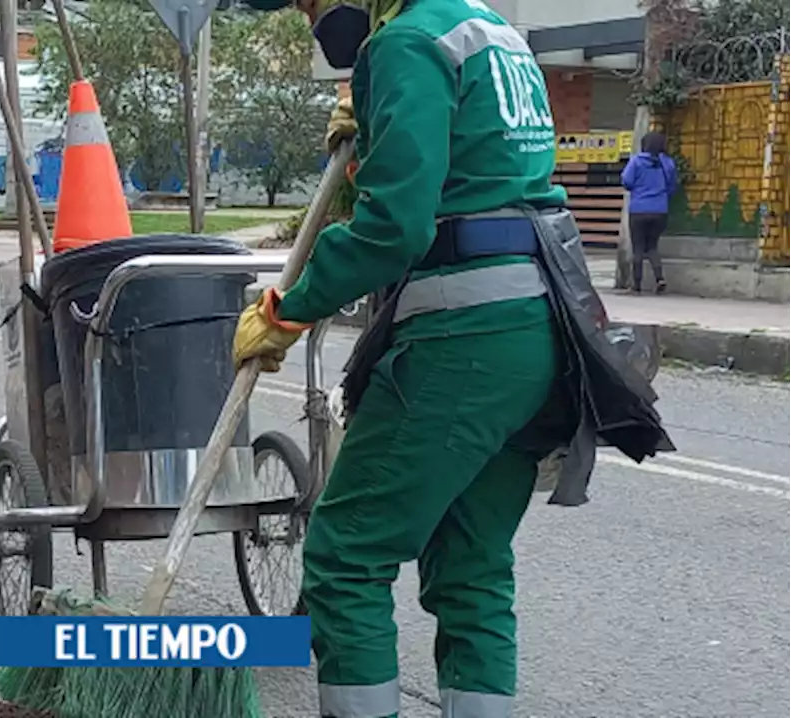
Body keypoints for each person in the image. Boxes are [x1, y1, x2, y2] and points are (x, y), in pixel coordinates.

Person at [233, 0, 576, 715]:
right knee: (471, 567)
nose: (309, 16)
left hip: (465, 337)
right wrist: (367, 146)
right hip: (538, 331)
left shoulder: (406, 46)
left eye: (308, 0)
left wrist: (286, 308)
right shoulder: (491, 34)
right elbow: (467, 179)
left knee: (345, 557)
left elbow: (396, 227)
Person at [621, 131, 677, 294]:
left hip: (639, 209)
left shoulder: (636, 161)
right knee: (652, 246)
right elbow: (672, 186)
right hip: (660, 210)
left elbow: (626, 181)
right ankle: (659, 278)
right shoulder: (667, 163)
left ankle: (636, 285)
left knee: (638, 247)